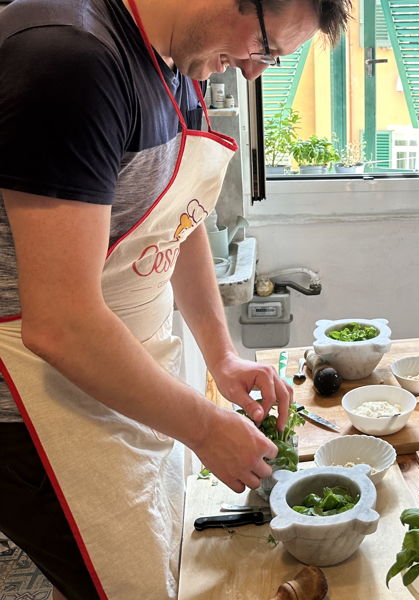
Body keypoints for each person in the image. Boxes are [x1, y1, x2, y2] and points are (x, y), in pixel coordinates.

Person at [0, 0, 350, 598]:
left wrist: (224, 357)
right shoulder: (70, 61)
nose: (252, 71)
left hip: (119, 375)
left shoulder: (177, 62)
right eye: (264, 48)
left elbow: (178, 223)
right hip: (35, 408)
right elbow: (58, 324)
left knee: (160, 561)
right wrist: (206, 428)